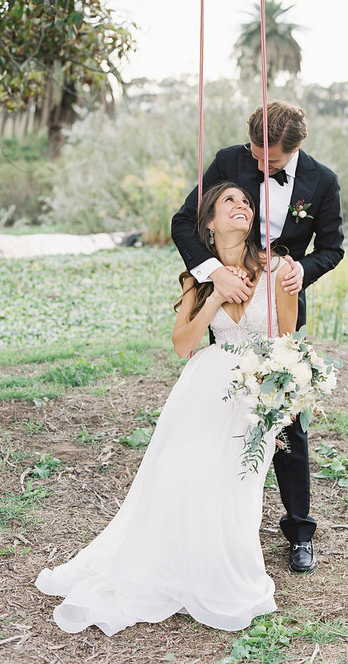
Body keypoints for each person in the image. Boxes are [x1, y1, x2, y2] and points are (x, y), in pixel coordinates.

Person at [35, 182, 298, 635]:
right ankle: (176, 567)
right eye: (229, 201)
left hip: (253, 390)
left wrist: (283, 397)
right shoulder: (196, 277)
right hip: (204, 387)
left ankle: (223, 575)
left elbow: (287, 338)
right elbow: (182, 345)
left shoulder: (278, 269)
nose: (242, 207)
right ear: (210, 224)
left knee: (237, 484)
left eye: (247, 203)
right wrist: (215, 293)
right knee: (184, 475)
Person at [172, 101, 344, 574]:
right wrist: (213, 275)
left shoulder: (322, 182)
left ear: (296, 149)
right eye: (256, 154)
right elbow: (184, 220)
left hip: (279, 299)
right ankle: (216, 523)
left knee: (288, 425)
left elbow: (332, 248)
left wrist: (301, 271)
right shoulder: (230, 160)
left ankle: (299, 530)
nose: (259, 165)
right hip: (228, 301)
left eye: (271, 162)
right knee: (223, 417)